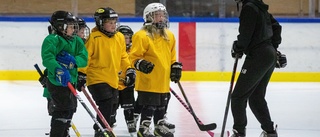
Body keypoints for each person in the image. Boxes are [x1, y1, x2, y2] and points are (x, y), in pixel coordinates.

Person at [230, 0, 287, 137]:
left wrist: (238, 47)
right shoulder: (260, 8)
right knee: (256, 97)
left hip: (258, 56)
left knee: (238, 97)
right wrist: (273, 48)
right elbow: (277, 27)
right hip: (269, 55)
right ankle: (270, 131)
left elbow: (246, 34)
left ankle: (239, 132)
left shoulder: (249, 8)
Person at [77, 7, 136, 137]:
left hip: (113, 79)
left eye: (115, 22)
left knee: (112, 105)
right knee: (106, 103)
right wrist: (81, 73)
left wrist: (129, 70)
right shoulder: (94, 37)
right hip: (96, 78)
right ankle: (101, 130)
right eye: (110, 22)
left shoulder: (119, 37)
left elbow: (123, 57)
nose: (113, 25)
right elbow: (86, 57)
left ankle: (103, 128)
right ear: (100, 22)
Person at [129, 3, 182, 137]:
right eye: (157, 15)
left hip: (163, 80)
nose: (161, 17)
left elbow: (172, 56)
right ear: (149, 17)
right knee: (149, 105)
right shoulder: (141, 36)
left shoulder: (169, 35)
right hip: (148, 80)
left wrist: (175, 66)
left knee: (162, 105)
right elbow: (133, 57)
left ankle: (159, 127)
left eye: (163, 14)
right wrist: (140, 63)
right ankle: (143, 129)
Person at [41, 10, 88, 137]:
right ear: (61, 26)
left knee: (71, 109)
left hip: (71, 81)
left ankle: (64, 132)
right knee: (62, 110)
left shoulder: (76, 41)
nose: (73, 29)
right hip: (56, 82)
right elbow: (48, 58)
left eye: (74, 26)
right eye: (70, 26)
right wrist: (58, 69)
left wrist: (73, 62)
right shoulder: (52, 40)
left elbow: (84, 58)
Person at [111, 25, 137, 134]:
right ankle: (110, 121)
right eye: (123, 37)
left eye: (127, 37)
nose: (125, 40)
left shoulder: (133, 51)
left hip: (128, 84)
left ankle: (131, 122)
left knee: (129, 106)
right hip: (114, 84)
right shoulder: (113, 49)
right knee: (112, 106)